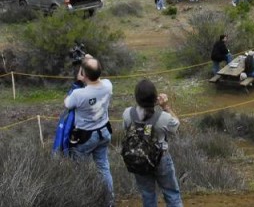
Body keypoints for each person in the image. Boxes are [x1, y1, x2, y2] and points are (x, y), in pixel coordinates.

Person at [123, 80, 182, 207]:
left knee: (147, 194)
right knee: (172, 194)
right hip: (161, 158)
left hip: (138, 158)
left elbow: (126, 129)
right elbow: (176, 125)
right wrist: (166, 107)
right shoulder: (163, 118)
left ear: (137, 97)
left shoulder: (127, 113)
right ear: (155, 98)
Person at [64, 56, 114, 203]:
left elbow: (67, 104)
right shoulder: (108, 85)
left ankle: (86, 200)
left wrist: (79, 82)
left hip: (85, 136)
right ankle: (109, 202)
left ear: (83, 75)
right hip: (104, 132)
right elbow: (98, 77)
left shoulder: (79, 94)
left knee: (81, 171)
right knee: (103, 168)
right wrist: (90, 61)